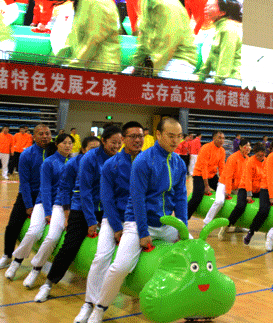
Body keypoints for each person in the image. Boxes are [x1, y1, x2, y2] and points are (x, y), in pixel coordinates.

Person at [86, 118, 187, 322]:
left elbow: (181, 196)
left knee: (192, 251)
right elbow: (138, 198)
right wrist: (143, 232)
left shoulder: (178, 162)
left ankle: (191, 305)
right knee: (120, 267)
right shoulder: (143, 161)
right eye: (170, 136)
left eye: (179, 136)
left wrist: (182, 228)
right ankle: (98, 308)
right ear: (158, 135)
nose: (175, 141)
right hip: (138, 223)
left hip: (166, 223)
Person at [34, 126, 122, 302]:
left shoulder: (120, 159)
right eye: (114, 142)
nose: (117, 146)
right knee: (70, 246)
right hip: (82, 208)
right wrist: (90, 221)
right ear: (104, 141)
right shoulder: (90, 158)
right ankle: (49, 283)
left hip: (106, 210)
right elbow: (85, 192)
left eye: (120, 143)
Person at [74, 122, 143, 323]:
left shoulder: (147, 162)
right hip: (113, 218)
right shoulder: (111, 165)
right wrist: (117, 226)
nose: (138, 140)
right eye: (133, 136)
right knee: (101, 257)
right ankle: (89, 303)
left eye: (140, 136)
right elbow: (107, 199)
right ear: (124, 139)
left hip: (138, 220)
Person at [21, 136, 100, 289]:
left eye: (98, 149)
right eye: (91, 148)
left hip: (90, 208)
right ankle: (36, 269)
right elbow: (64, 191)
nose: (95, 152)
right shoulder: (72, 164)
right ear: (83, 150)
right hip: (64, 206)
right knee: (52, 237)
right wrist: (66, 215)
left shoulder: (104, 165)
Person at [4, 134, 73, 281]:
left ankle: (36, 269)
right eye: (64, 143)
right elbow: (46, 189)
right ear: (57, 145)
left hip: (61, 205)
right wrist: (48, 212)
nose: (67, 146)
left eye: (70, 143)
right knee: (34, 232)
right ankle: (16, 263)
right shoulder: (49, 162)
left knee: (52, 238)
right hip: (44, 203)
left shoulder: (73, 163)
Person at [124, 0, 196, 79]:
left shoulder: (166, 4)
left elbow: (167, 46)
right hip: (157, 57)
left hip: (178, 60)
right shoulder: (145, 0)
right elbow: (143, 40)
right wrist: (135, 65)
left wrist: (147, 71)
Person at [54, 0, 121, 71]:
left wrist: (71, 66)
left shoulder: (96, 0)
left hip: (99, 70)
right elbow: (74, 35)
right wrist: (56, 61)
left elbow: (92, 41)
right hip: (86, 66)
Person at [0, 124, 51, 270]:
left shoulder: (54, 152)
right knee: (12, 227)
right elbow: (25, 183)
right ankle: (7, 256)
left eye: (47, 133)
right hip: (28, 196)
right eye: (41, 134)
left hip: (48, 198)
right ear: (34, 137)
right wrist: (29, 205)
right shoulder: (27, 154)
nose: (45, 136)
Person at [243, 136, 273, 245]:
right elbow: (269, 177)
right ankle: (251, 232)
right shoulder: (271, 157)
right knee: (264, 211)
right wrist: (272, 196)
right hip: (267, 189)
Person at [221, 143, 266, 240]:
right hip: (245, 188)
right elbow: (248, 179)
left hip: (258, 189)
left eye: (262, 155)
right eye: (258, 155)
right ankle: (227, 225)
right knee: (240, 206)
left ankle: (267, 232)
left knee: (265, 207)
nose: (260, 157)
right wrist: (249, 194)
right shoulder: (250, 161)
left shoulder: (266, 162)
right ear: (255, 154)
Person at [203, 138, 250, 227]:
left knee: (242, 204)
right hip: (224, 184)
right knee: (219, 201)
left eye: (249, 146)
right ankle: (206, 222)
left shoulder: (248, 160)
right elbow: (228, 175)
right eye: (246, 146)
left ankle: (239, 226)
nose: (248, 147)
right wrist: (228, 190)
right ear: (240, 147)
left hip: (237, 187)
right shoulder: (233, 158)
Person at [198, 0, 242, 83]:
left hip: (230, 80)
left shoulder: (228, 29)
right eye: (206, 6)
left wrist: (217, 81)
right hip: (220, 78)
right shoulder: (218, 28)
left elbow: (226, 58)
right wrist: (201, 76)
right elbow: (211, 56)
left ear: (222, 13)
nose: (206, 9)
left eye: (210, 6)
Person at [187, 131, 225, 219]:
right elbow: (204, 168)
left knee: (223, 192)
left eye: (223, 138)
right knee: (197, 197)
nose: (221, 140)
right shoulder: (206, 148)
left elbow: (222, 168)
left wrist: (224, 185)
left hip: (212, 175)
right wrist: (206, 186)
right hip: (199, 175)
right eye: (219, 137)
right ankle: (184, 218)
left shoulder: (222, 151)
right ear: (214, 138)